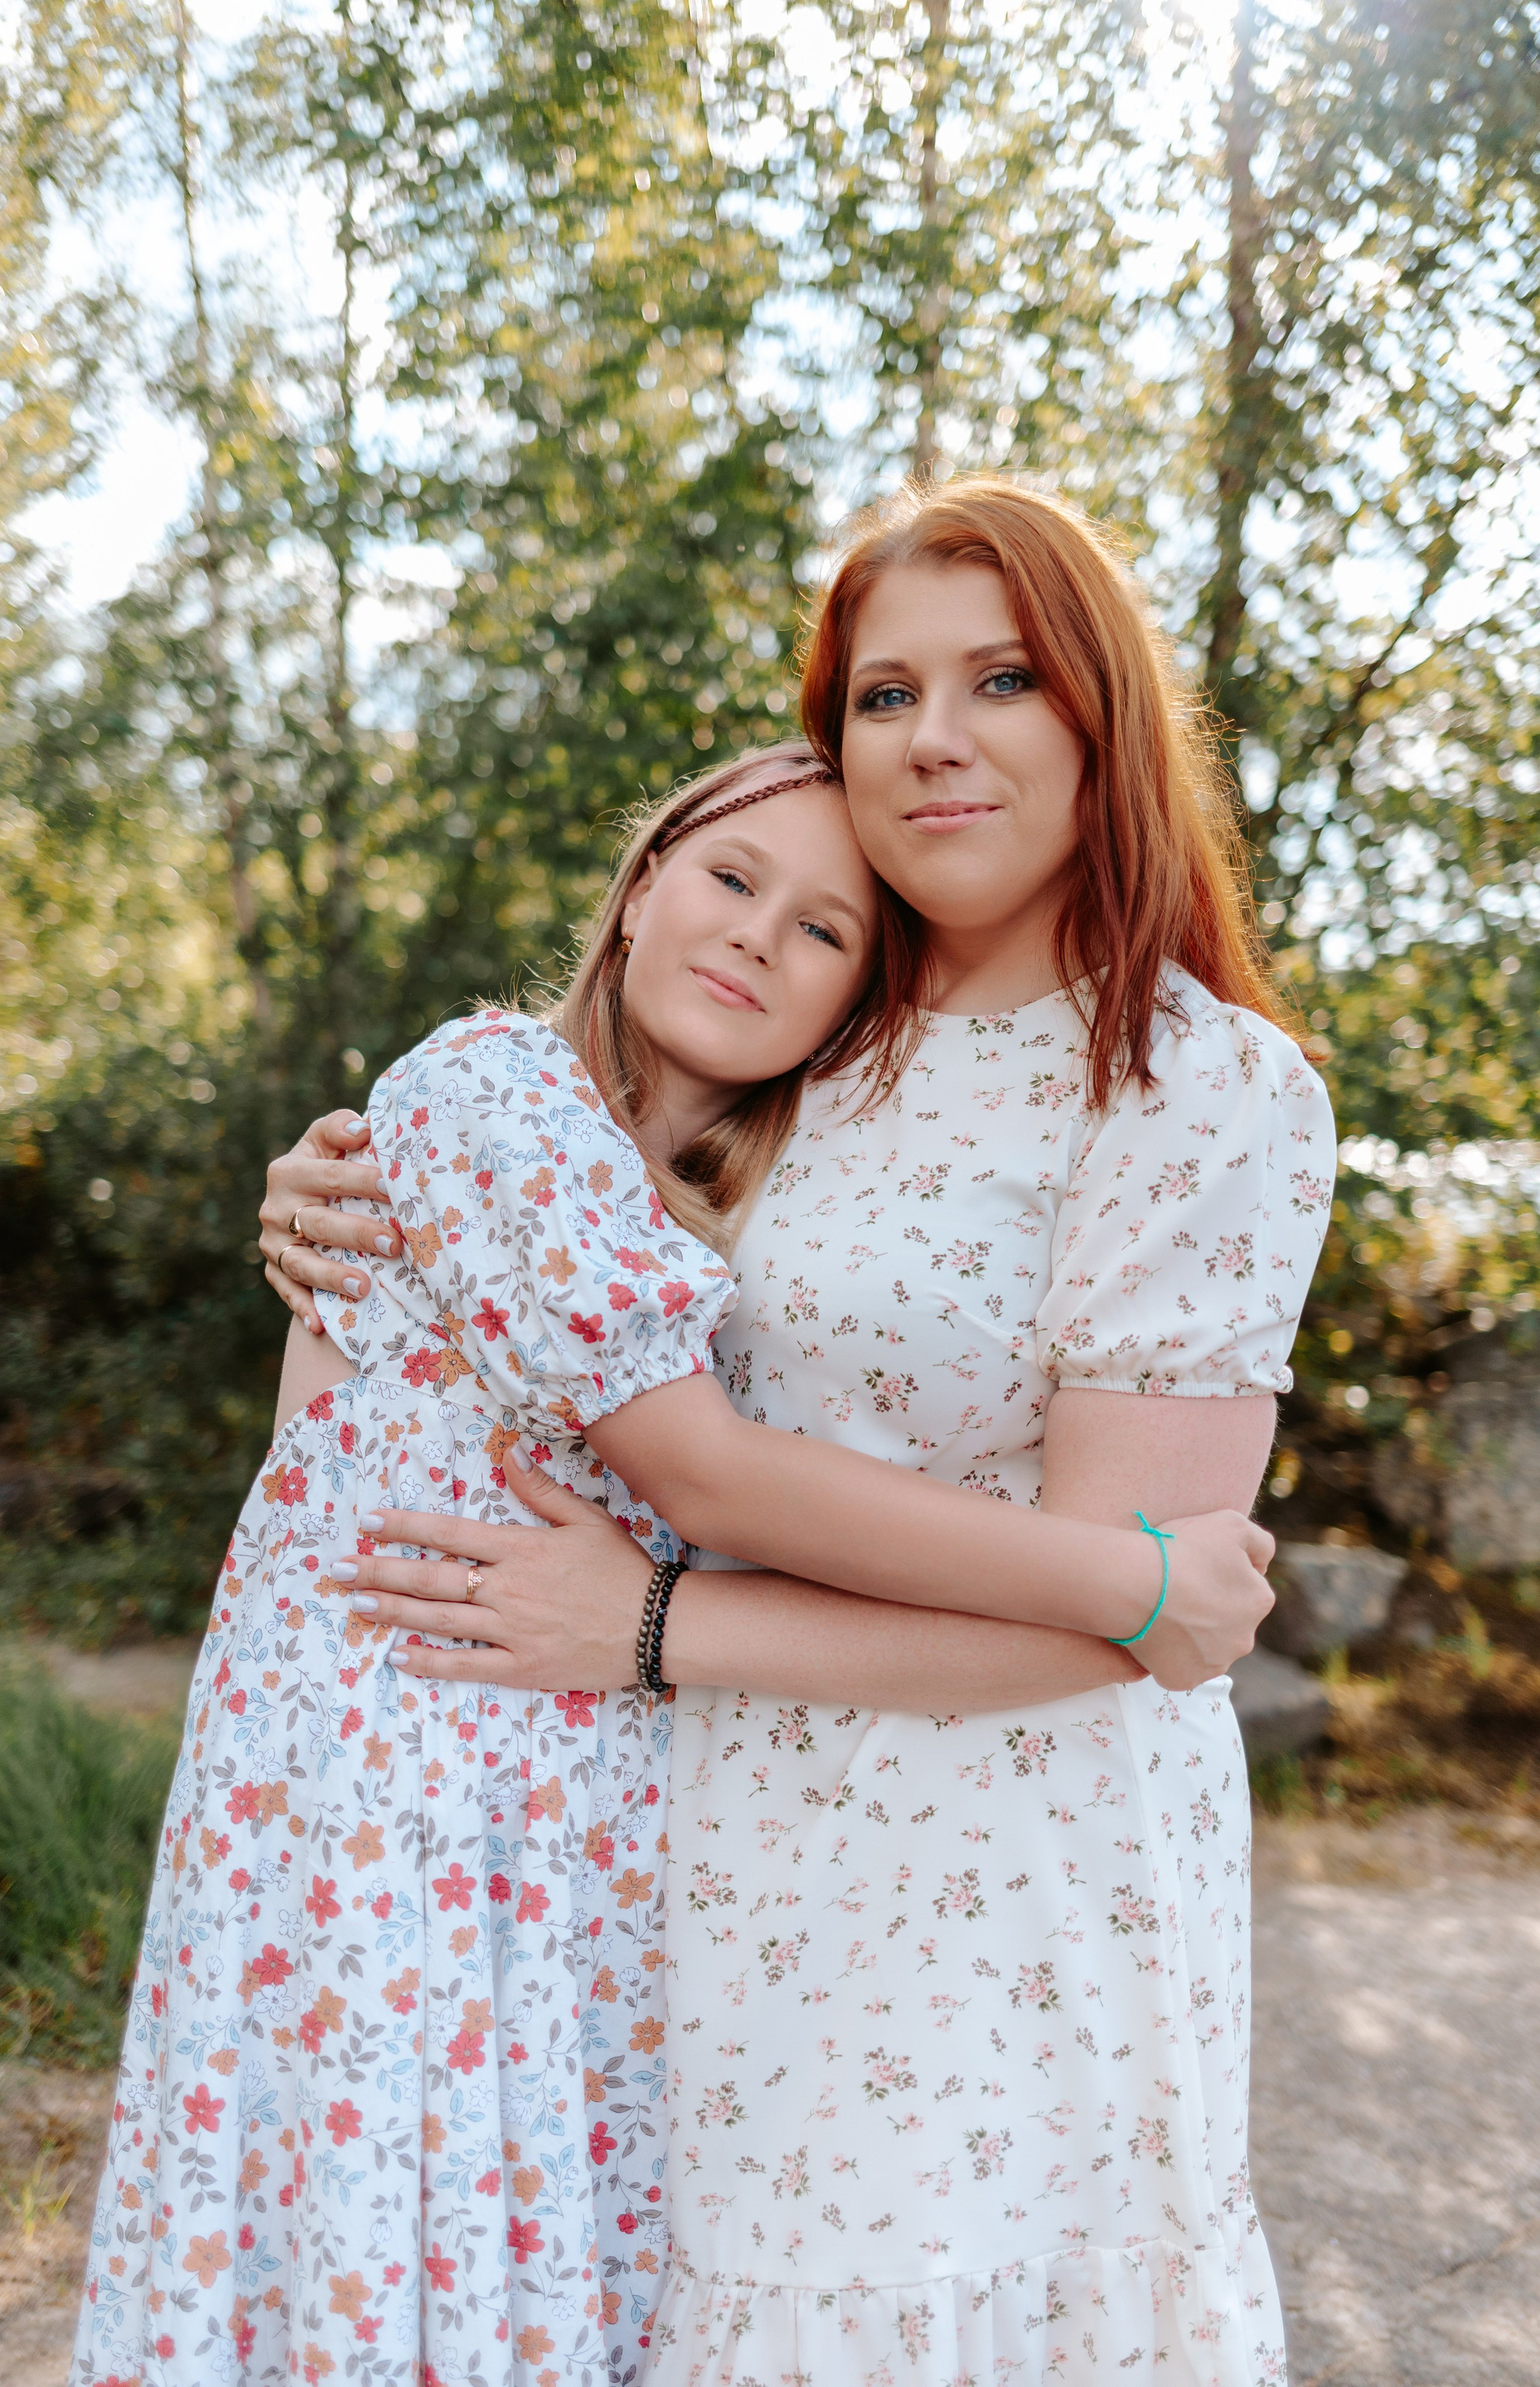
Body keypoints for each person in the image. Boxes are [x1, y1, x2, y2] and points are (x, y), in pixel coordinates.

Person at [268, 477, 1334, 2385]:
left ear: (1105, 715)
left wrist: (654, 1629)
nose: (934, 737)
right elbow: (543, 1252)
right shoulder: (800, 1029)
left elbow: (1121, 1624)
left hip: (996, 1887)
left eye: (1003, 679)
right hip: (691, 1842)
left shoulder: (1196, 1088)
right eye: (882, 694)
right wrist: (337, 1205)